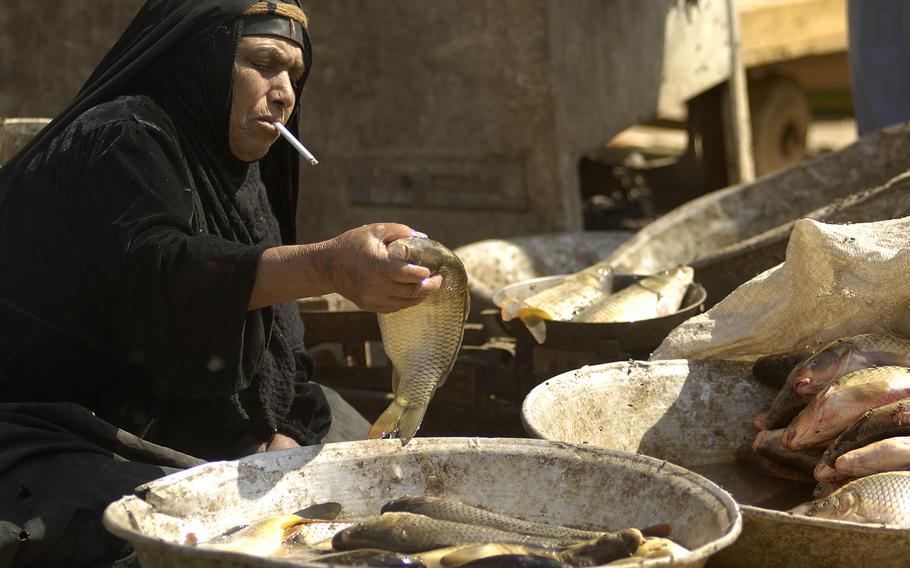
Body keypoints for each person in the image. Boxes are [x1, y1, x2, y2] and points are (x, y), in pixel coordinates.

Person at [0, 1, 441, 566]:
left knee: (393, 485)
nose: (284, 93)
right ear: (200, 60)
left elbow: (282, 338)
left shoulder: (240, 170)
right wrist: (326, 267)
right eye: (263, 63)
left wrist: (287, 431)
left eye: (295, 76)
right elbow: (162, 275)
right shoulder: (119, 140)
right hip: (77, 433)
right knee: (182, 537)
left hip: (217, 437)